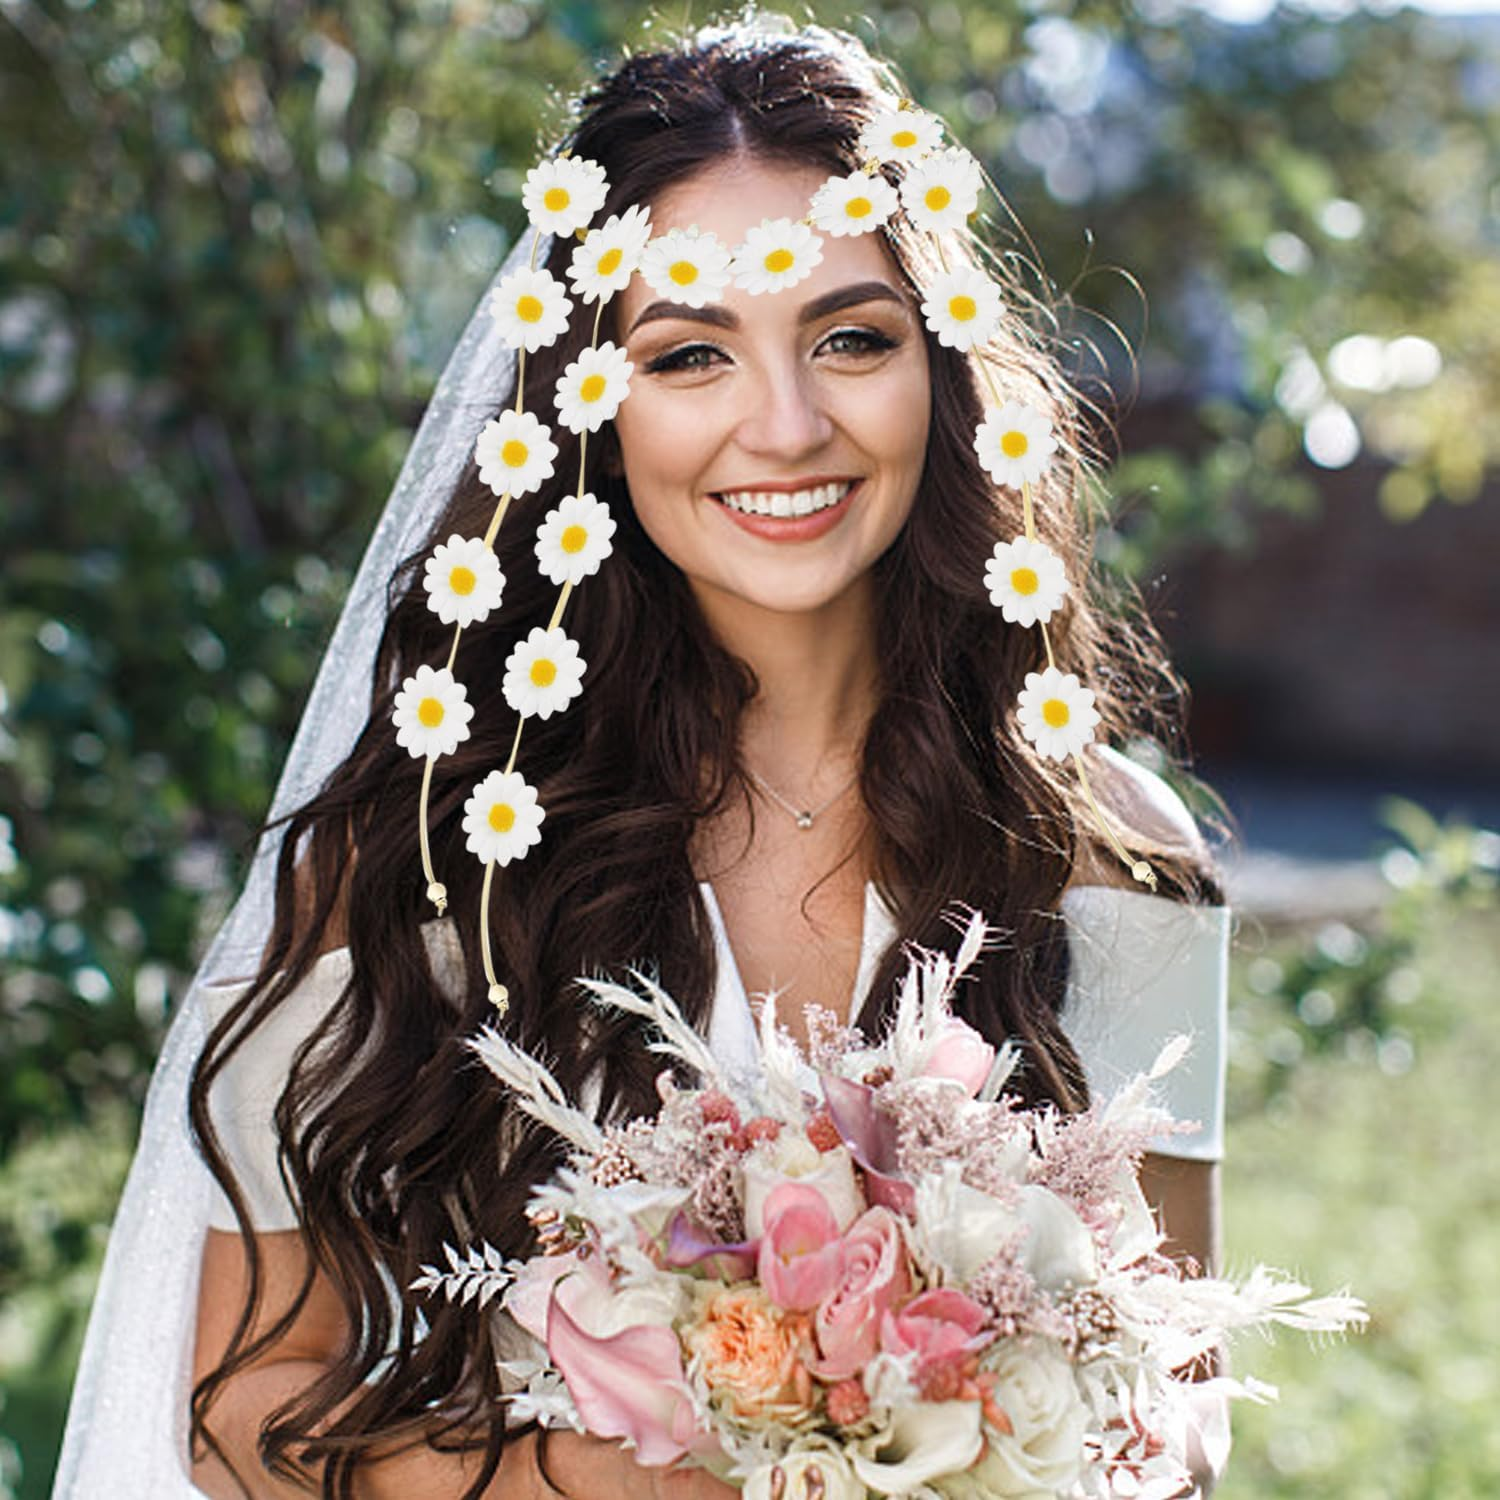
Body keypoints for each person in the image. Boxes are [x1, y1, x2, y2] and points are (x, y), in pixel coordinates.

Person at [52, 16, 1234, 1500]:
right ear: (591, 412)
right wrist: (634, 1483)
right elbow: (240, 1410)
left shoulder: (1120, 862)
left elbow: (1185, 1374)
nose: (787, 425)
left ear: (941, 370)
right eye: (690, 353)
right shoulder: (424, 847)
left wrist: (1008, 1438)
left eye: (851, 339)